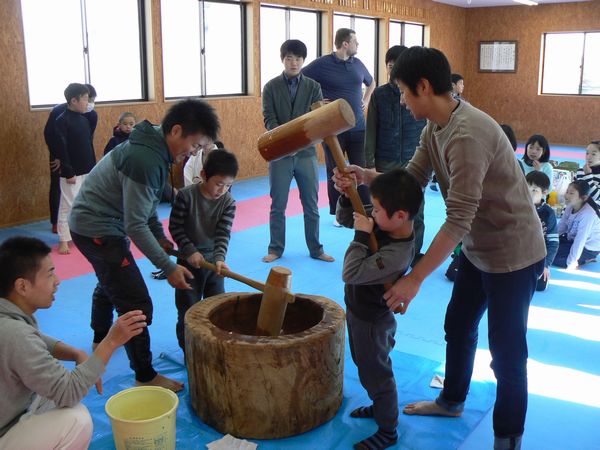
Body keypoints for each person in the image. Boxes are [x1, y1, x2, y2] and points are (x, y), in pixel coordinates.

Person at [334, 46, 545, 450]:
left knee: (507, 356)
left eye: (403, 91)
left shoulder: (467, 135)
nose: (401, 100)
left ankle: (507, 441)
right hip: (477, 248)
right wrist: (366, 176)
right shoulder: (435, 127)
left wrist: (414, 279)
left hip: (514, 256)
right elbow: (412, 178)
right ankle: (451, 402)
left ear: (424, 87)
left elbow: (458, 218)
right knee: (458, 327)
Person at [69, 99, 220, 392]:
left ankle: (99, 337)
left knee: (112, 279)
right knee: (136, 303)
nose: (194, 152)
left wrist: (159, 236)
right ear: (176, 131)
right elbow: (135, 225)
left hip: (96, 224)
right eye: (194, 145)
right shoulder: (146, 159)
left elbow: (146, 206)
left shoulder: (155, 146)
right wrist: (169, 268)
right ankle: (145, 375)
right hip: (97, 228)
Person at [0, 236, 146, 450]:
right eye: (50, 274)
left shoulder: (8, 315)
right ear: (22, 286)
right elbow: (69, 391)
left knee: (50, 395)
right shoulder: (15, 334)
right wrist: (111, 341)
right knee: (76, 420)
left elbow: (33, 338)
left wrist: (76, 353)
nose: (58, 281)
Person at [337, 169, 422, 450]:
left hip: (372, 321)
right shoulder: (386, 221)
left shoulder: (397, 255)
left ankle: (388, 429)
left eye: (376, 209)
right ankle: (380, 405)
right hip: (358, 310)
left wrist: (362, 236)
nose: (371, 213)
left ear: (400, 216)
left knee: (377, 374)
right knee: (365, 366)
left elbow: (350, 272)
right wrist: (347, 197)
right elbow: (346, 219)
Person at [261, 39, 334, 263]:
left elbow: (315, 118)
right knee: (278, 205)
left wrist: (298, 143)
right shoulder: (270, 87)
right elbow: (269, 118)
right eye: (289, 58)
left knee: (311, 205)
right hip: (280, 154)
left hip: (306, 154)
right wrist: (285, 142)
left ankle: (316, 249)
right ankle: (275, 249)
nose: (294, 62)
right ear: (282, 60)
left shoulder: (313, 86)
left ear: (303, 60)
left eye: (298, 58)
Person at [169, 150, 238, 355]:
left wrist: (219, 258)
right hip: (188, 264)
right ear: (204, 175)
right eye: (219, 184)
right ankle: (189, 352)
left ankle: (212, 349)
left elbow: (223, 233)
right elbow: (175, 228)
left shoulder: (228, 202)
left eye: (228, 185)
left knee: (217, 309)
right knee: (187, 311)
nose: (222, 190)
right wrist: (190, 251)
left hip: (213, 266)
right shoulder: (186, 196)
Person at [303, 28, 375, 225]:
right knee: (336, 171)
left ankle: (365, 209)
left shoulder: (358, 64)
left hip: (359, 129)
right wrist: (315, 101)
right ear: (345, 44)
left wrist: (365, 100)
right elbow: (301, 79)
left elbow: (371, 82)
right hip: (333, 130)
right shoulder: (322, 64)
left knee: (361, 170)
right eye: (355, 41)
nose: (357, 45)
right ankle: (338, 212)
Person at [364, 44, 427, 263]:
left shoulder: (418, 93)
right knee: (383, 210)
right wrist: (369, 163)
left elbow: (427, 128)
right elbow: (371, 129)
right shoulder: (379, 94)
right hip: (385, 161)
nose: (394, 70)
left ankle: (413, 253)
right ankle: (384, 252)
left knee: (416, 212)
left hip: (414, 161)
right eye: (391, 66)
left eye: (398, 65)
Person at [44, 84, 97, 234]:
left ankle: (82, 228)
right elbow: (52, 136)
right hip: (62, 158)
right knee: (64, 196)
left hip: (83, 161)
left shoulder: (90, 115)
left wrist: (91, 166)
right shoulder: (59, 114)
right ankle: (57, 224)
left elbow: (87, 140)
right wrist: (59, 158)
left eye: (91, 99)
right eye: (87, 99)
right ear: (74, 100)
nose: (90, 103)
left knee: (85, 198)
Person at [551, 180, 600, 270]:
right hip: (572, 240)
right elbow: (561, 227)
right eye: (567, 192)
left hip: (588, 247)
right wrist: (550, 241)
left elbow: (580, 240)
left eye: (571, 193)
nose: (566, 196)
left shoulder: (588, 214)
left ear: (584, 197)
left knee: (556, 258)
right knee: (549, 250)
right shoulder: (570, 206)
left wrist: (572, 262)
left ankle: (588, 258)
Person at [525, 172, 559, 291]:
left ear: (544, 193)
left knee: (539, 285)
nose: (528, 192)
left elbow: (553, 242)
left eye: (534, 190)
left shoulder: (548, 213)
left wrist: (545, 265)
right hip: (517, 253)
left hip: (537, 256)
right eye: (526, 187)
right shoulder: (517, 206)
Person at [576, 140, 600, 208]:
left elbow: (596, 197)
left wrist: (588, 175)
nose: (588, 157)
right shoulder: (580, 171)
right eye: (587, 153)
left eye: (593, 154)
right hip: (578, 209)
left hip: (595, 211)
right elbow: (575, 192)